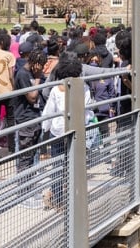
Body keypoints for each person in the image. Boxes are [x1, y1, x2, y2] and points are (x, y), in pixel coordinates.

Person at [41, 55, 94, 209]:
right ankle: (76, 197)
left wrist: (45, 131)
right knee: (76, 165)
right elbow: (87, 109)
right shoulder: (83, 87)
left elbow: (48, 113)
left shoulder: (56, 90)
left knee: (58, 167)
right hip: (77, 131)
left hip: (58, 132)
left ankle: (58, 199)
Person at [14, 47, 47, 174]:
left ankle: (30, 186)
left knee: (33, 154)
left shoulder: (32, 74)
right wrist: (38, 77)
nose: (42, 69)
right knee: (25, 157)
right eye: (41, 66)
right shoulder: (23, 75)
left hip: (34, 117)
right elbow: (32, 98)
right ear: (36, 64)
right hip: (26, 119)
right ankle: (24, 187)